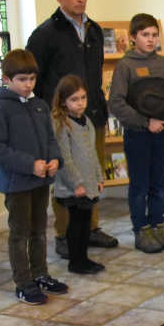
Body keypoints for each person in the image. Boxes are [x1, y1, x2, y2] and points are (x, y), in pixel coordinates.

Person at [26, 0, 119, 258]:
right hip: (61, 120)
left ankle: (89, 229)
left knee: (91, 171)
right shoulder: (45, 34)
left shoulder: (94, 30)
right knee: (67, 178)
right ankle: (65, 235)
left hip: (91, 115)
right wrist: (46, 118)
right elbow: (35, 79)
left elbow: (95, 74)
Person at [0, 49, 68, 306]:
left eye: (31, 78)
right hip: (17, 183)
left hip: (41, 181)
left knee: (39, 231)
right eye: (22, 79)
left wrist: (54, 160)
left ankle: (40, 274)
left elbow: (51, 140)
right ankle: (23, 283)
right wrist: (29, 165)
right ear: (6, 78)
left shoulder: (40, 105)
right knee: (19, 234)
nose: (28, 84)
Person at [109, 13, 164, 254]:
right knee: (140, 186)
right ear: (132, 37)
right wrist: (145, 121)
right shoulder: (125, 66)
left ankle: (158, 226)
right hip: (137, 134)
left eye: (154, 35)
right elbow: (117, 103)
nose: (150, 40)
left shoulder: (163, 63)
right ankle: (142, 231)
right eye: (145, 35)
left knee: (158, 184)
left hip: (162, 133)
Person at [51, 75, 108, 275]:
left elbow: (92, 153)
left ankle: (83, 258)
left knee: (85, 223)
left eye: (83, 98)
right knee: (75, 222)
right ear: (63, 101)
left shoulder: (87, 122)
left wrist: (98, 177)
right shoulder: (61, 124)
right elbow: (64, 157)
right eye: (74, 99)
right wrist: (76, 183)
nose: (80, 103)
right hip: (72, 185)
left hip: (89, 182)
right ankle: (75, 261)